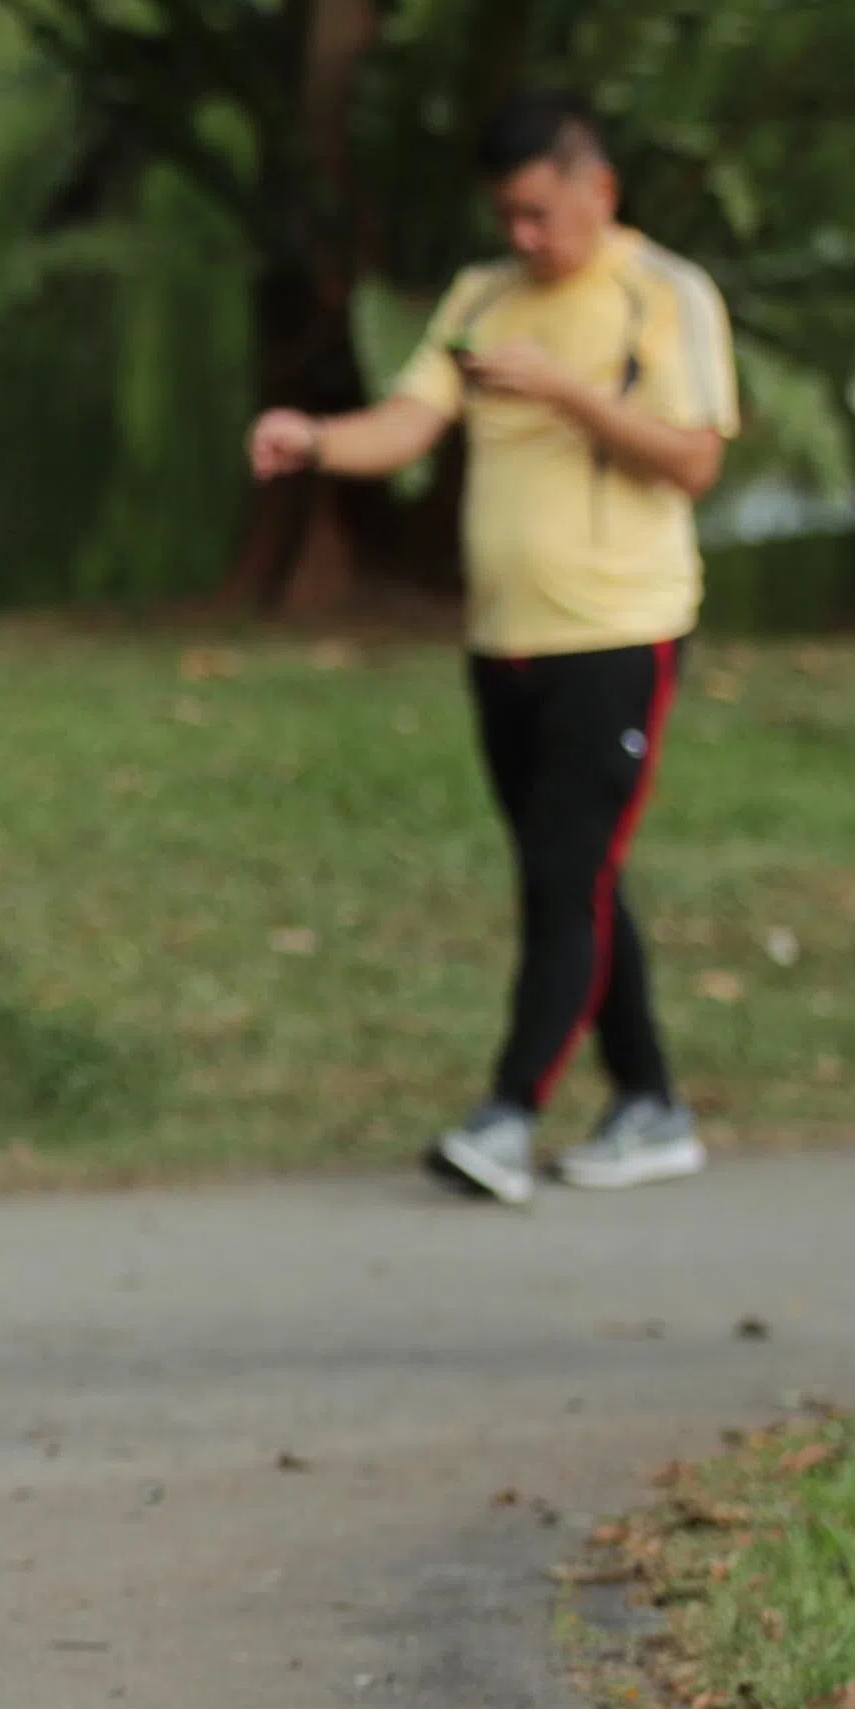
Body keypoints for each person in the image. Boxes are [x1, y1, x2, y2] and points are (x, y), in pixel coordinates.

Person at [249, 86, 742, 1204]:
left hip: (621, 632)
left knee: (567, 874)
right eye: (508, 218)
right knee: (574, 874)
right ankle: (651, 1101)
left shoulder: (662, 295)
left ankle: (509, 1115)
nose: (524, 239)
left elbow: (695, 458)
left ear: (596, 189)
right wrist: (315, 438)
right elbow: (410, 424)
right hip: (504, 639)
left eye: (539, 215)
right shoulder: (483, 298)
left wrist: (569, 391)